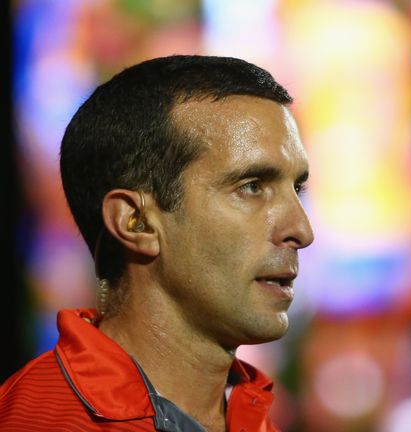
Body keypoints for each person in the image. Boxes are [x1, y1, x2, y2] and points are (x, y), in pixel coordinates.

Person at [0, 55, 314, 431]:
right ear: (136, 223)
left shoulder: (255, 420)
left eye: (297, 189)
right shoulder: (35, 421)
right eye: (251, 187)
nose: (302, 231)